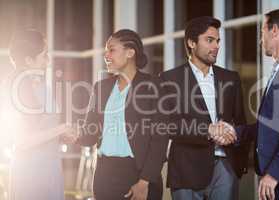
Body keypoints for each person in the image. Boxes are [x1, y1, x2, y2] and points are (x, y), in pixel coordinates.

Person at [160, 16, 250, 200]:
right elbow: (168, 125)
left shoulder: (230, 78)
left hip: (226, 168)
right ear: (192, 43)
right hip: (187, 170)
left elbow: (240, 121)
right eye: (209, 40)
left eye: (217, 41)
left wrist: (234, 141)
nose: (216, 46)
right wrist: (207, 130)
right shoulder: (169, 79)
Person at [212, 8, 279, 200]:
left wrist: (275, 173)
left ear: (274, 30)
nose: (260, 40)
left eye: (262, 32)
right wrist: (236, 132)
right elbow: (273, 124)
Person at [76, 29, 168, 200]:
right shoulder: (100, 88)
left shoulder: (154, 85)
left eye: (112, 49)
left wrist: (143, 183)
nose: (106, 55)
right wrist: (70, 134)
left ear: (130, 53)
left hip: (138, 175)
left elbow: (160, 140)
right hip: (104, 174)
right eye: (106, 51)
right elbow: (89, 134)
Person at [1, 29, 76, 200]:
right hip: (30, 174)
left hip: (50, 169)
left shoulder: (42, 85)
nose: (48, 61)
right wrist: (61, 129)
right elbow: (22, 141)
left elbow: (45, 129)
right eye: (44, 55)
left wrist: (61, 135)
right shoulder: (15, 90)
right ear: (28, 60)